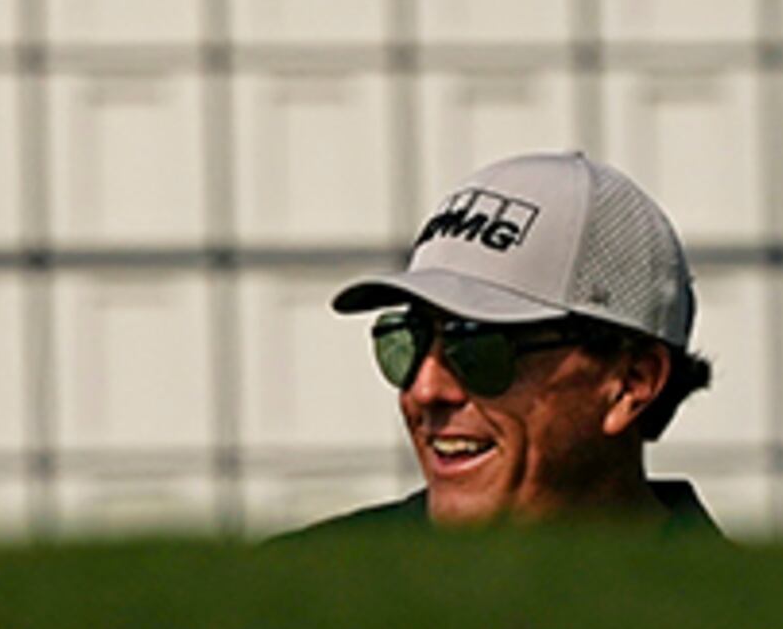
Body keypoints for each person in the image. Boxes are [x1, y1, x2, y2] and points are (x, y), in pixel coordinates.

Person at [286, 149, 721, 535]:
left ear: (631, 383)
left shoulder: (743, 621)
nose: (425, 390)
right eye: (410, 339)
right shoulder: (299, 588)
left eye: (478, 345)